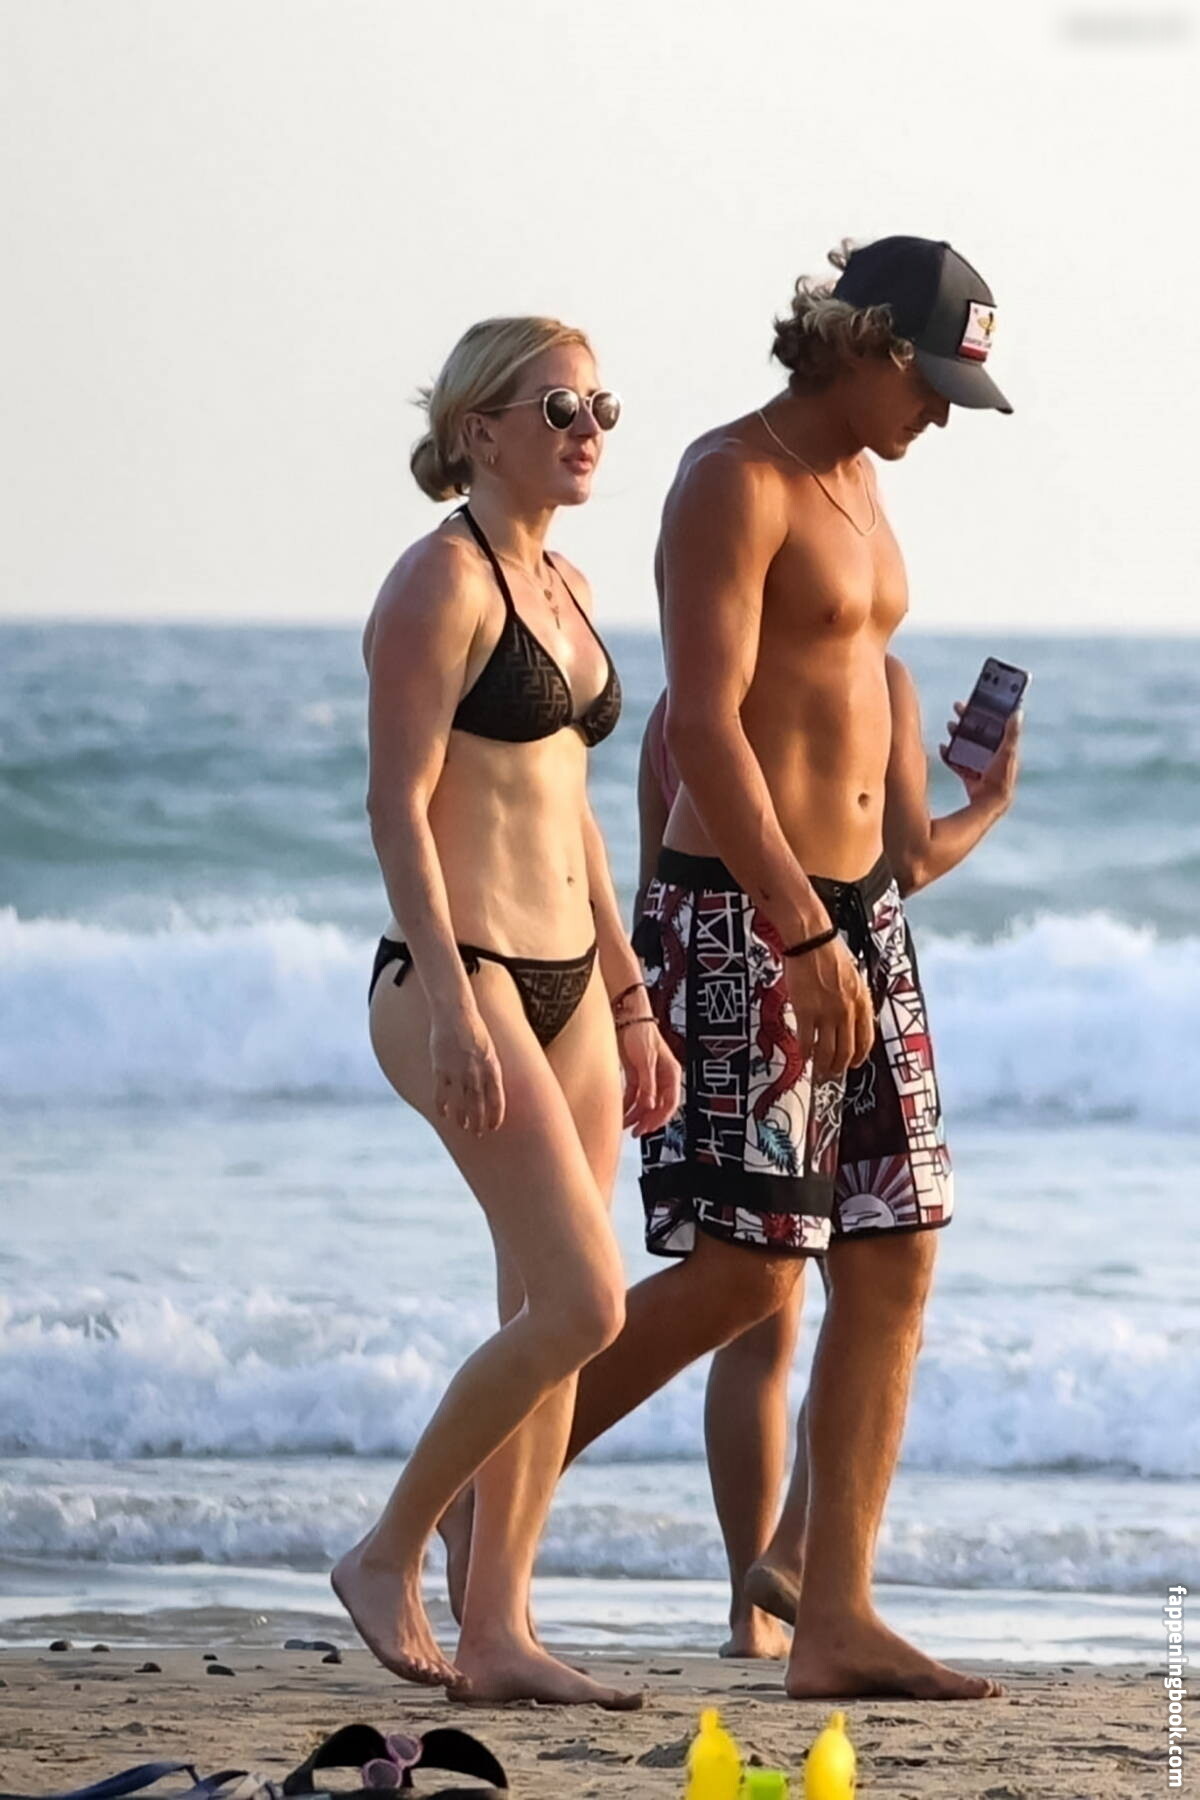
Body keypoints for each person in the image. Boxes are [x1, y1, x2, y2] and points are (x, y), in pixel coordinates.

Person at [561, 235, 1016, 1701]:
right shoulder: (732, 480)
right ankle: (471, 1497)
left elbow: (855, 738)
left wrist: (945, 835)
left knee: (898, 1252)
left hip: (861, 917)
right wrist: (799, 932)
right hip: (752, 920)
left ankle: (834, 1614)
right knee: (744, 1279)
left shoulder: (865, 487)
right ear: (861, 343)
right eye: (929, 381)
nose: (939, 413)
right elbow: (701, 726)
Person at [331, 315, 679, 1705]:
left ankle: (498, 1631)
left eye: (601, 408)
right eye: (557, 409)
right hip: (457, 972)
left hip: (573, 984)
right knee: (588, 1304)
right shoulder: (440, 581)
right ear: (478, 429)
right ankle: (386, 1550)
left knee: (543, 1302)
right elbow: (396, 808)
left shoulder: (569, 585)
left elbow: (574, 813)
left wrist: (631, 994)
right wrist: (456, 1002)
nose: (588, 431)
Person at [636, 661, 1020, 1659]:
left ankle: (761, 1603)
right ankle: (777, 1576)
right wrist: (986, 808)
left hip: (772, 965)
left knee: (787, 1308)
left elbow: (655, 881)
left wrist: (644, 1025)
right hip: (786, 955)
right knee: (782, 1290)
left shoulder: (692, 703)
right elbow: (906, 858)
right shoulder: (854, 684)